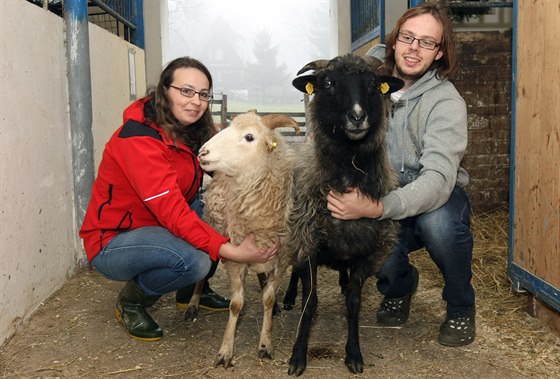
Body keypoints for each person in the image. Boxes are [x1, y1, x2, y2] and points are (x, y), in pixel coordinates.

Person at [79, 57, 278, 341]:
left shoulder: (195, 130)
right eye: (186, 91)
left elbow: (236, 157)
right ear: (164, 91)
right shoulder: (138, 140)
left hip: (162, 221)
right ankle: (132, 302)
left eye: (203, 94)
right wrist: (233, 252)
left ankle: (191, 292)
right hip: (116, 238)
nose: (196, 101)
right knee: (195, 259)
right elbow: (172, 212)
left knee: (216, 218)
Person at [326, 3, 475, 347]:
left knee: (440, 226)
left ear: (439, 53)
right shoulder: (366, 84)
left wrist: (377, 208)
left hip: (433, 196)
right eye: (408, 37)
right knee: (367, 239)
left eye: (426, 42)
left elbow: (438, 179)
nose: (414, 48)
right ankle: (400, 287)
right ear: (394, 41)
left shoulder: (446, 102)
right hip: (380, 190)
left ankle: (460, 305)